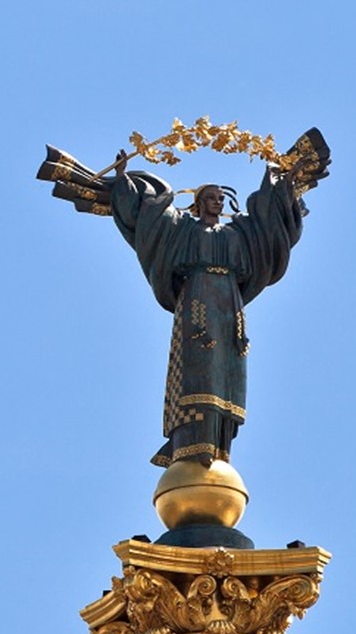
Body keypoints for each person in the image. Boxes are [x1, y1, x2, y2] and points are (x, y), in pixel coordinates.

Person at [109, 151, 304, 468]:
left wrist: (285, 185)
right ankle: (189, 441)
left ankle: (218, 444)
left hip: (229, 305)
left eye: (220, 198)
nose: (218, 202)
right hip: (197, 301)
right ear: (198, 204)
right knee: (200, 369)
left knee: (226, 373)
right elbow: (148, 216)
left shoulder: (237, 235)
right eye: (211, 198)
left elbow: (270, 225)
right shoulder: (183, 230)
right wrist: (123, 181)